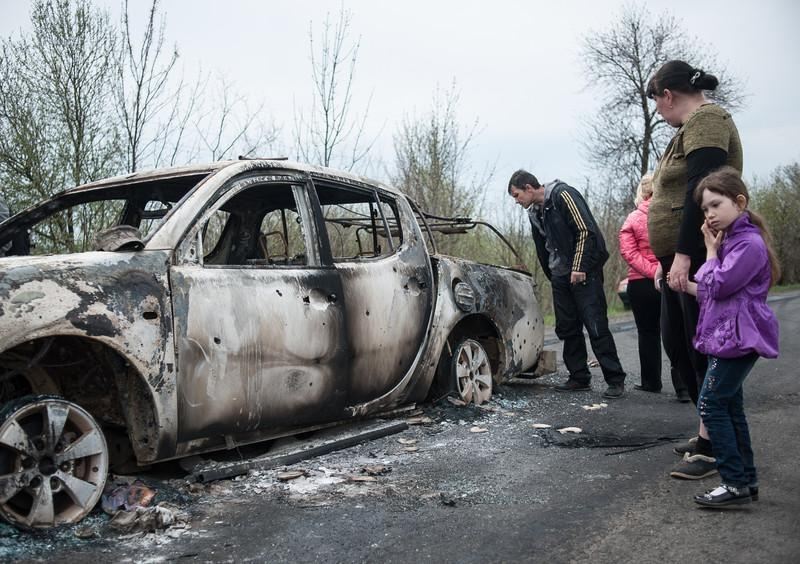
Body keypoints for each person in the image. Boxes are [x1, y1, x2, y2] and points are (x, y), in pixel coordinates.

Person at [645, 60, 743, 479]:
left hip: (700, 255)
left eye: (658, 105)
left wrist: (685, 254)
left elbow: (702, 190)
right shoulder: (686, 130)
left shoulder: (707, 119)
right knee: (681, 343)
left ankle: (715, 444)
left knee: (706, 347)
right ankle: (707, 433)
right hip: (677, 257)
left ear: (667, 95)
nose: (659, 114)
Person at [683, 168, 779, 507]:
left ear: (739, 202)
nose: (709, 214)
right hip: (725, 336)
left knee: (711, 404)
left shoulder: (748, 243)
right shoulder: (733, 241)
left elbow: (719, 284)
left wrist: (710, 253)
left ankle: (734, 483)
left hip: (738, 336)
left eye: (715, 205)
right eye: (705, 209)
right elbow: (711, 293)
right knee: (730, 406)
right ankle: (745, 480)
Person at [508, 170, 626, 399]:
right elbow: (544, 245)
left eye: (516, 195)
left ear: (529, 188)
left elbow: (585, 230)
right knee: (567, 327)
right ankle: (579, 377)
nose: (516, 200)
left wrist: (579, 266)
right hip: (560, 275)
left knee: (595, 325)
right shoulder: (534, 212)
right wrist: (553, 274)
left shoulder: (563, 195)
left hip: (584, 272)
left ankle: (615, 379)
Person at [619, 174, 687, 396]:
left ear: (642, 192)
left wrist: (650, 272)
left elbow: (628, 252)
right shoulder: (676, 215)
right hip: (672, 277)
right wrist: (662, 272)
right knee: (677, 329)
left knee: (647, 332)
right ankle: (684, 387)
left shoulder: (633, 218)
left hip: (641, 284)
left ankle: (651, 381)